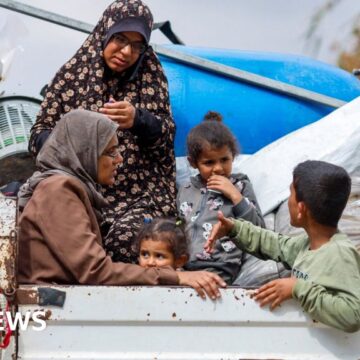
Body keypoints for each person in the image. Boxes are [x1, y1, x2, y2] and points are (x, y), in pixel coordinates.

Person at [18, 109, 226, 300]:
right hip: (51, 307)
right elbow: (95, 271)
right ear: (85, 152)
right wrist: (175, 277)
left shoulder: (68, 188)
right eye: (110, 152)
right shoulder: (59, 190)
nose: (119, 159)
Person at [28, 0, 176, 264]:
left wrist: (138, 119)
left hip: (137, 196)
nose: (127, 51)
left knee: (127, 241)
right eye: (120, 39)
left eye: (137, 45)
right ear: (105, 32)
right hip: (78, 192)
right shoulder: (71, 76)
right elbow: (38, 134)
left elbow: (166, 139)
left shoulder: (151, 76)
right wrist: (73, 145)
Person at [205, 160, 360, 333]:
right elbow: (276, 244)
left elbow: (353, 314)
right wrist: (234, 228)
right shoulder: (308, 244)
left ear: (301, 209)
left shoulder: (340, 254)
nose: (288, 202)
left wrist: (297, 287)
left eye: (290, 194)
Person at [177, 111, 268, 284]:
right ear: (192, 163)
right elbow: (178, 223)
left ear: (233, 156)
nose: (218, 168)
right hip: (184, 267)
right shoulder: (186, 189)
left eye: (224, 160)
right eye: (209, 162)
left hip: (220, 265)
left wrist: (234, 195)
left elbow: (259, 229)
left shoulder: (240, 186)